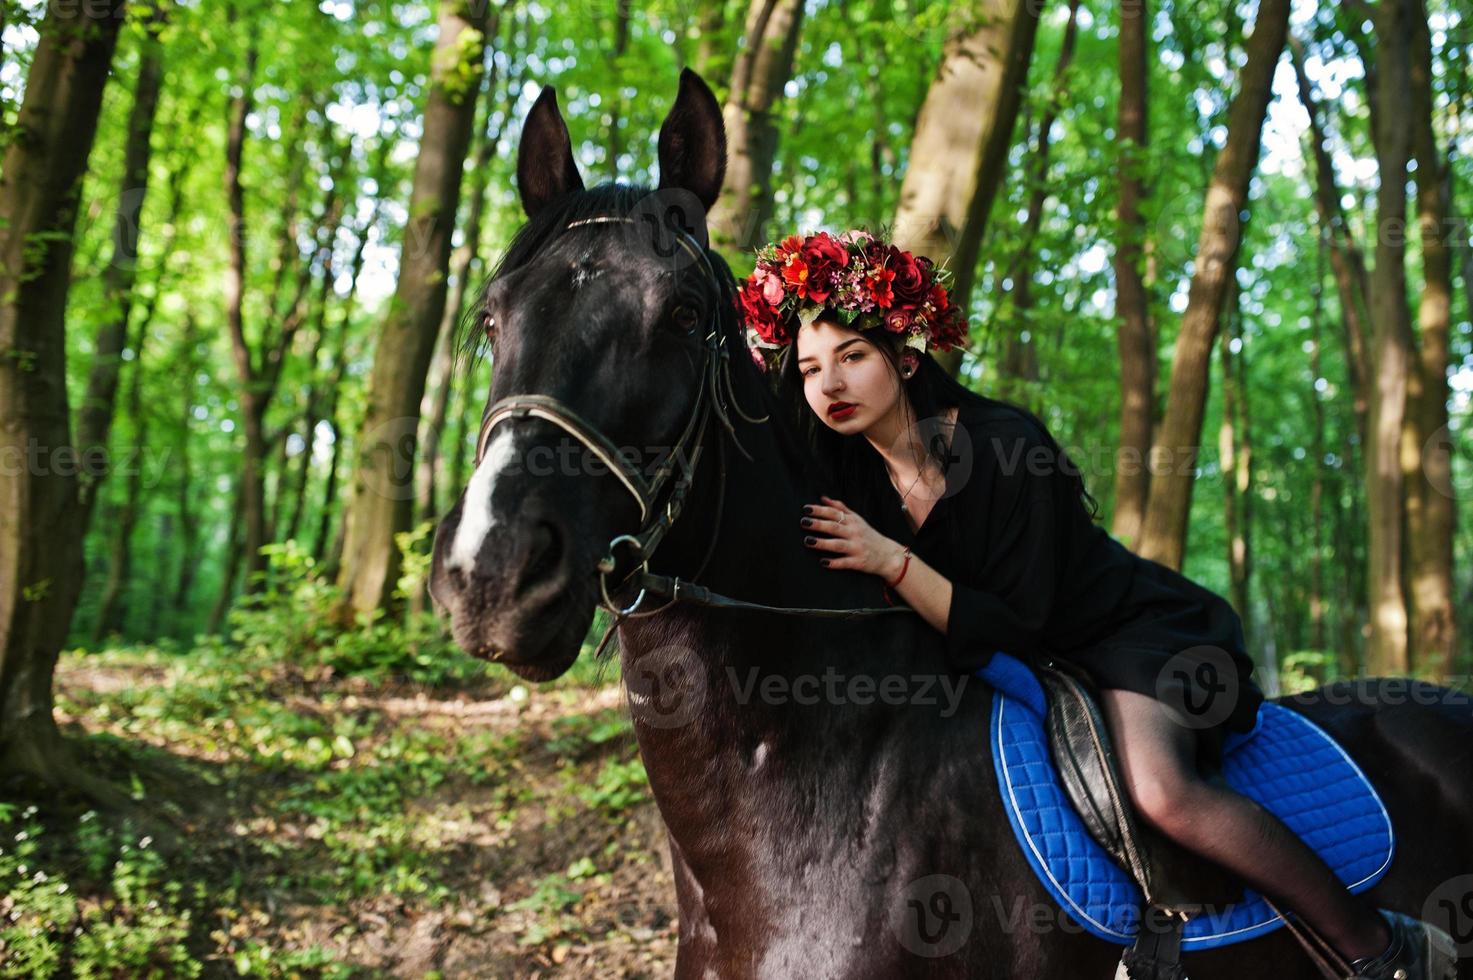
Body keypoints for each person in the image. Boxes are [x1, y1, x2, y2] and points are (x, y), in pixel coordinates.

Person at [736, 228, 1456, 980]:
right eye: (811, 369)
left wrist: (891, 559)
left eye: (852, 357)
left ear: (907, 358)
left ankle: (1379, 948)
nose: (830, 386)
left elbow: (1016, 620)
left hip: (1121, 634)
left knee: (1162, 790)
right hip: (1002, 654)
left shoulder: (1004, 444)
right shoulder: (839, 469)